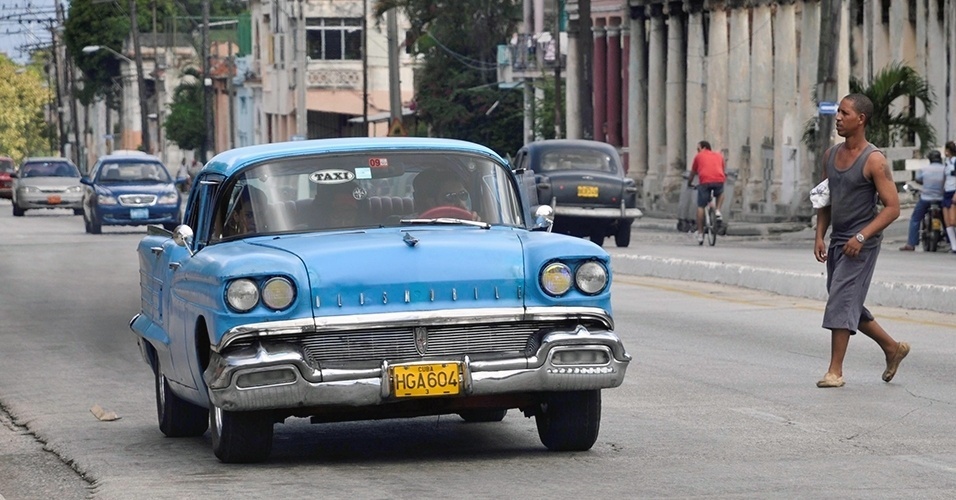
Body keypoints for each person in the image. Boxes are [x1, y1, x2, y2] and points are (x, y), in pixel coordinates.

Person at [813, 93, 909, 388]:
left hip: (862, 242)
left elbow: (893, 208)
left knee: (841, 298)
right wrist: (820, 235)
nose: (838, 118)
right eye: (838, 112)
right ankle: (893, 348)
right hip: (839, 240)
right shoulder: (830, 156)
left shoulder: (874, 160)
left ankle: (835, 371)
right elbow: (825, 199)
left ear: (861, 119)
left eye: (844, 113)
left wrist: (862, 235)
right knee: (844, 300)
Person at [899, 150, 945, 251]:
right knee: (946, 220)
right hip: (941, 199)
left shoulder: (925, 169)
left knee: (915, 219)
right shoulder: (944, 169)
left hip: (926, 199)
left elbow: (918, 179)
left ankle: (911, 244)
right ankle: (949, 240)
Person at [687, 140, 726, 244]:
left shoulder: (698, 156)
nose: (697, 151)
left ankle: (700, 234)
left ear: (703, 148)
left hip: (704, 182)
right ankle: (717, 210)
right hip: (719, 180)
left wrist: (689, 183)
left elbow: (693, 173)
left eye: (698, 148)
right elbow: (722, 169)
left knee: (701, 206)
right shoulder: (718, 155)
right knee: (721, 192)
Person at [411, 167, 479, 220]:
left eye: (463, 195)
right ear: (432, 202)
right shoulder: (410, 224)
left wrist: (475, 221)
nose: (460, 202)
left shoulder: (472, 222)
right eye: (450, 197)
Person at [942, 141, 956, 253]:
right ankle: (953, 245)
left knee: (953, 220)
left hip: (953, 192)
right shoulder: (946, 162)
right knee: (947, 221)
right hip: (947, 191)